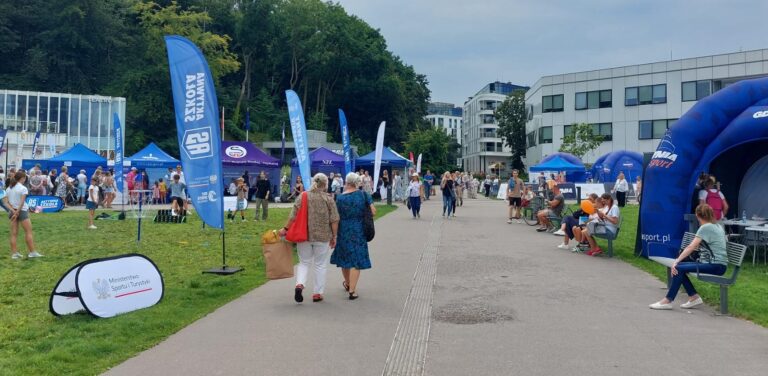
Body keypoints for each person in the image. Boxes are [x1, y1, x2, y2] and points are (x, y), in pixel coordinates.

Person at [649, 204, 728, 310]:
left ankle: (668, 300)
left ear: (697, 215)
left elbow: (691, 247)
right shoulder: (717, 225)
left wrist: (676, 261)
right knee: (679, 268)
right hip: (718, 265)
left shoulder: (705, 228)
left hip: (715, 265)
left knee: (678, 267)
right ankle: (693, 297)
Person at [279, 173, 340, 303]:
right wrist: (334, 236)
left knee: (304, 262)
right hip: (322, 236)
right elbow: (334, 219)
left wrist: (285, 229)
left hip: (304, 235)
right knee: (320, 264)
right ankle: (317, 293)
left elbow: (293, 215)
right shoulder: (328, 199)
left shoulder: (303, 196)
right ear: (325, 184)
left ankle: (300, 284)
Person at [331, 172, 376, 300]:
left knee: (345, 258)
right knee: (356, 259)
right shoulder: (363, 195)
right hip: (358, 230)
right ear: (357, 183)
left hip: (343, 229)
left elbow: (336, 216)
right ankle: (352, 290)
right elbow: (373, 211)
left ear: (346, 182)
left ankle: (348, 283)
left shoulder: (339, 198)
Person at [3, 170, 43, 259]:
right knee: (28, 232)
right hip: (22, 211)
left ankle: (14, 254)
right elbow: (21, 203)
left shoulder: (9, 188)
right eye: (25, 178)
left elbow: (6, 203)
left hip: (12, 211)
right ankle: (32, 252)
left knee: (13, 234)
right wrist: (16, 212)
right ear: (23, 178)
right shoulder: (23, 188)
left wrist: (13, 212)